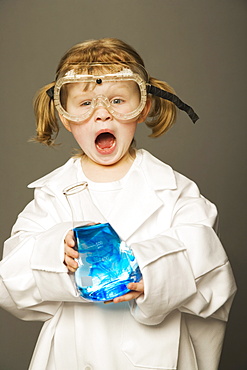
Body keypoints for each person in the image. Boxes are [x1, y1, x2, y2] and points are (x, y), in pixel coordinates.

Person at [0, 38, 236, 370]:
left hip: (160, 354)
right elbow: (11, 277)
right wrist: (55, 252)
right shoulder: (53, 194)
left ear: (143, 107)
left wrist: (153, 272)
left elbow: (210, 269)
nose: (102, 115)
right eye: (84, 104)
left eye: (117, 100)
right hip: (74, 353)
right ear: (65, 117)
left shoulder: (175, 191)